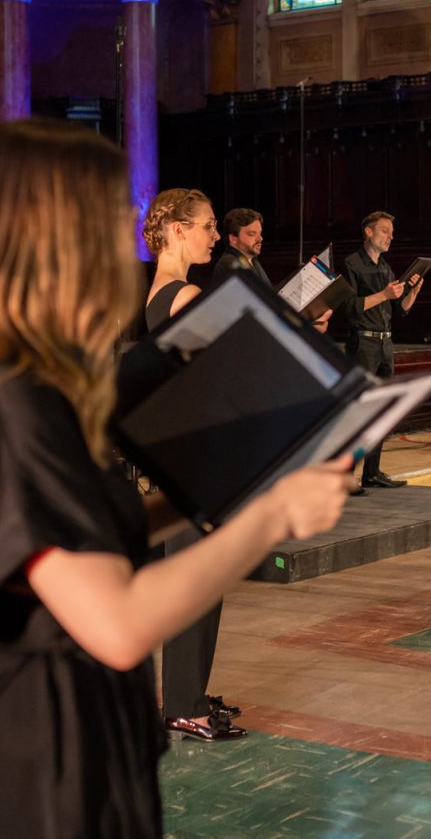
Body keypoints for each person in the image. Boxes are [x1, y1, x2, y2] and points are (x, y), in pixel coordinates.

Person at [0, 119, 349, 837]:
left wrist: (221, 483)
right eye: (107, 222)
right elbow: (117, 623)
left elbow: (86, 531)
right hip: (19, 750)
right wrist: (272, 515)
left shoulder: (35, 376)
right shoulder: (4, 395)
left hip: (66, 725)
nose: (124, 245)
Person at [142, 188, 251, 741]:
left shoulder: (163, 292)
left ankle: (192, 694)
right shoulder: (183, 295)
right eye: (207, 226)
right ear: (177, 230)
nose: (214, 236)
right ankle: (184, 704)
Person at [342, 210, 423, 491]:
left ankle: (372, 472)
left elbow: (399, 310)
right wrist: (384, 294)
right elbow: (350, 308)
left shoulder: (385, 267)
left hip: (384, 344)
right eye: (385, 230)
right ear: (368, 231)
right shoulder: (352, 263)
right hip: (363, 344)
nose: (390, 237)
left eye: (392, 232)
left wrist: (412, 293)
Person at [212, 207, 270, 287]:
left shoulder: (252, 259)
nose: (260, 238)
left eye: (260, 233)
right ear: (233, 239)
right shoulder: (229, 264)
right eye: (252, 234)